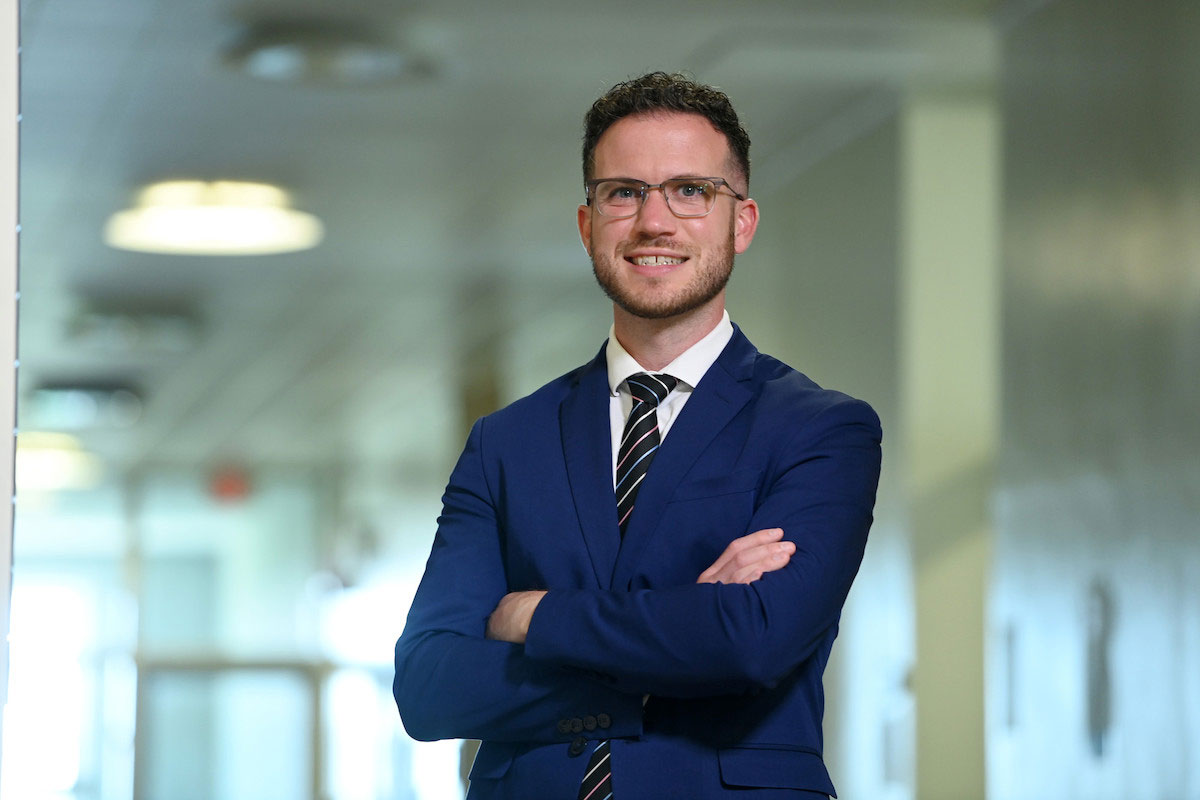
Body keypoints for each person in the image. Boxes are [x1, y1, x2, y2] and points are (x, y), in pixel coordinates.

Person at [394, 71, 882, 800]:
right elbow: (429, 687)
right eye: (624, 192)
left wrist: (536, 616)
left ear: (741, 222)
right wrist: (674, 648)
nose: (655, 222)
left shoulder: (821, 430)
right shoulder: (506, 443)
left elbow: (753, 642)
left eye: (691, 190)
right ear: (589, 223)